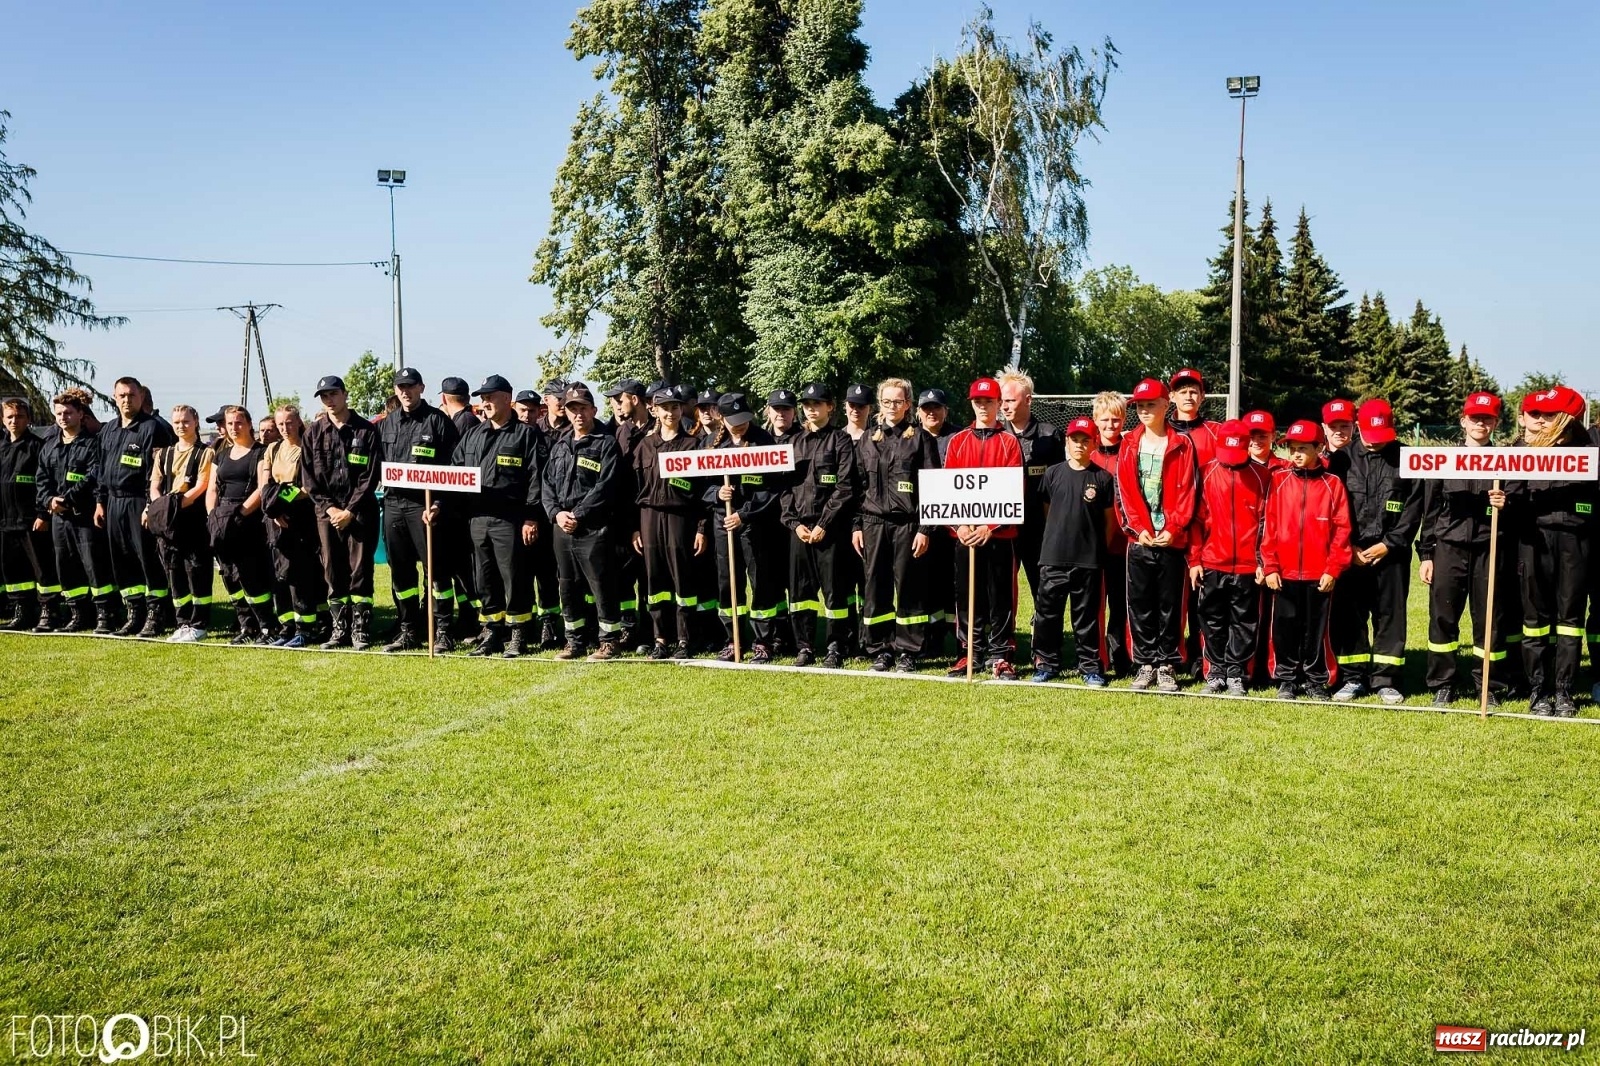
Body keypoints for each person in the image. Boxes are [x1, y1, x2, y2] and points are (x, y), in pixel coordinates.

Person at [1418, 391, 1517, 706]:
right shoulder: (1443, 460)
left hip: (1490, 547)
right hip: (1449, 548)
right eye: (1475, 417)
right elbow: (1430, 511)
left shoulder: (1507, 462)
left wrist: (1507, 503)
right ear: (1463, 421)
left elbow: (1519, 509)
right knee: (1443, 617)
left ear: (1496, 423)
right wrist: (1426, 555)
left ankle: (1488, 684)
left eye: (1487, 418)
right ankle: (1442, 684)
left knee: (1489, 620)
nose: (1481, 423)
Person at [1508, 386, 1594, 716]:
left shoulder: (1589, 449)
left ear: (1565, 419)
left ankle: (1565, 692)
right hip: (1533, 540)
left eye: (1547, 415)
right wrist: (1504, 500)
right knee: (1535, 621)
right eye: (1537, 415)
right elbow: (1513, 492)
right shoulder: (1521, 449)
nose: (1540, 421)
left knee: (1570, 621)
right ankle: (1538, 691)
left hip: (1576, 541)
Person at [1331, 398, 1424, 705]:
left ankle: (1386, 679)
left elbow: (1414, 509)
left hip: (1392, 555)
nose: (1375, 442)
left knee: (1390, 617)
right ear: (1358, 427)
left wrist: (1389, 544)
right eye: (1370, 435)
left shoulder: (1408, 458)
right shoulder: (1341, 458)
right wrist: (1350, 546)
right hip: (1352, 553)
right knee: (1350, 617)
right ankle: (1353, 677)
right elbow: (1335, 507)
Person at [1114, 378, 1199, 692]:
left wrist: (1173, 528)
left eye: (1151, 404)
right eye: (1140, 405)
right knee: (1140, 603)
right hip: (1141, 540)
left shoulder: (1181, 443)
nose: (1145, 410)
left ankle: (1166, 663)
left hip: (1171, 540)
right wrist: (1140, 530)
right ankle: (1145, 663)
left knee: (1169, 604)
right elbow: (1123, 491)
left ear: (1167, 404)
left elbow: (1189, 490)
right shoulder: (1129, 443)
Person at [451, 375, 545, 657]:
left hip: (511, 518)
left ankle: (518, 635)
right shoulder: (473, 434)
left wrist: (531, 517)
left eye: (491, 397)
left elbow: (536, 478)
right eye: (483, 397)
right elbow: (456, 470)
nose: (485, 402)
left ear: (508, 398)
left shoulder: (526, 435)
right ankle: (492, 631)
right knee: (484, 578)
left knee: (514, 577)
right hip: (478, 518)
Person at [854, 378, 942, 672]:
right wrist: (856, 526)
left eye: (899, 401)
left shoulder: (921, 439)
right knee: (876, 588)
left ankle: (908, 650)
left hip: (908, 524)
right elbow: (858, 487)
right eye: (887, 401)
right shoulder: (867, 439)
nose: (893, 407)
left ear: (909, 404)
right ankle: (881, 648)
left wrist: (924, 529)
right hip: (872, 524)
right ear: (880, 404)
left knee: (910, 587)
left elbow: (932, 488)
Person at [1262, 420, 1353, 700]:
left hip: (1319, 574)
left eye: (1303, 448)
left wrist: (1333, 568)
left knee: (1317, 630)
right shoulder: (1279, 481)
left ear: (1319, 447)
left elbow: (1342, 529)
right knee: (1285, 627)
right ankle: (1287, 678)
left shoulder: (1333, 484)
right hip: (1285, 573)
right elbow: (1270, 526)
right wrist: (1271, 566)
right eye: (1292, 448)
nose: (1296, 454)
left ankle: (1316, 679)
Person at [944, 376, 1025, 680]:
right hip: (964, 536)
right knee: (967, 596)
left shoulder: (1008, 442)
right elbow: (948, 488)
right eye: (977, 402)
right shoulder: (958, 441)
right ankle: (969, 652)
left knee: (1000, 597)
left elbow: (1014, 490)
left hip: (999, 535)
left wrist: (991, 525)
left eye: (988, 401)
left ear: (997, 404)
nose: (982, 406)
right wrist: (960, 524)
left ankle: (1000, 655)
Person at [377, 367, 461, 653]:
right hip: (392, 505)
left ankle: (443, 631)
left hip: (425, 507)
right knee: (401, 573)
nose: (405, 391)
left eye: (410, 386)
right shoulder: (386, 424)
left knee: (436, 572)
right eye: (400, 387)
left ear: (421, 388)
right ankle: (408, 629)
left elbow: (453, 468)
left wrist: (439, 504)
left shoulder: (438, 422)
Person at [541, 383, 624, 659]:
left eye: (583, 409)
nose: (578, 414)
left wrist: (578, 514)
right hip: (562, 527)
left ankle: (609, 640)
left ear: (594, 410)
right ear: (566, 411)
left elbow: (606, 487)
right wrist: (556, 513)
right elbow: (547, 484)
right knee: (567, 584)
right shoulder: (561, 444)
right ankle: (574, 641)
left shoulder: (606, 443)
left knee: (601, 584)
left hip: (593, 527)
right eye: (572, 409)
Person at [1188, 420, 1271, 696]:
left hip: (1248, 566)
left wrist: (1262, 561)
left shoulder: (1262, 476)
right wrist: (1195, 560)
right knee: (1211, 619)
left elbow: (1266, 523)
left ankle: (1236, 672)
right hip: (1212, 562)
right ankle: (1216, 672)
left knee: (1244, 621)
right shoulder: (1206, 473)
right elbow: (1197, 521)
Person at [701, 392, 785, 663]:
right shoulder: (711, 445)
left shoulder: (764, 441)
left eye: (744, 419)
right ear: (721, 419)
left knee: (760, 581)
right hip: (722, 523)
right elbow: (699, 487)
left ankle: (763, 641)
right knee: (728, 582)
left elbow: (773, 490)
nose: (739, 425)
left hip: (754, 523)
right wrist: (716, 493)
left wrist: (744, 514)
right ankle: (732, 640)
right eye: (733, 420)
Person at [301, 375, 383, 651]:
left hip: (360, 513)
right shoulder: (313, 432)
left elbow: (370, 477)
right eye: (324, 396)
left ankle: (361, 630)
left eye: (333, 394)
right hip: (327, 514)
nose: (329, 400)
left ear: (345, 394)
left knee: (360, 570)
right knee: (332, 571)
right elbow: (309, 478)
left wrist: (349, 510)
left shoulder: (366, 431)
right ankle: (339, 630)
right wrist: (332, 508)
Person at [1030, 417, 1115, 685]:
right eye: (1075, 439)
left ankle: (1089, 667)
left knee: (1086, 618)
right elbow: (1046, 512)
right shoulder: (1052, 473)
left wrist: (1096, 549)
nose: (1080, 444)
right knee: (1047, 615)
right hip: (1053, 558)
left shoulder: (1102, 478)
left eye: (1085, 440)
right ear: (1067, 442)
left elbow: (1109, 522)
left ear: (1094, 443)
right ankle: (1047, 663)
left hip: (1088, 561)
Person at [781, 382, 859, 669]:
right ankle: (804, 647)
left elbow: (845, 487)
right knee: (801, 595)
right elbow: (785, 487)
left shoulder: (840, 441)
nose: (812, 409)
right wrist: (793, 524)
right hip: (800, 531)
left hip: (830, 531)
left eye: (818, 403)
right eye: (807, 404)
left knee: (834, 592)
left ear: (831, 407)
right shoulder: (792, 442)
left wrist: (824, 523)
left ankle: (835, 647)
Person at [631, 387, 708, 659]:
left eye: (675, 407)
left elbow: (702, 493)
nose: (670, 413)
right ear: (654, 410)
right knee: (655, 580)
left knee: (683, 579)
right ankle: (660, 638)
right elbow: (633, 491)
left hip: (681, 518)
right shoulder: (644, 446)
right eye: (665, 407)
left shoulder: (693, 445)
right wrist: (635, 529)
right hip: (649, 516)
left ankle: (686, 640)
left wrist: (700, 529)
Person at [96, 376, 176, 636]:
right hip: (113, 503)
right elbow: (100, 469)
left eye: (132, 395)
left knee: (148, 560)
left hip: (140, 502)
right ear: (114, 397)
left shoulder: (154, 428)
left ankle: (156, 614)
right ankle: (134, 612)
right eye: (122, 395)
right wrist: (100, 502)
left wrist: (150, 505)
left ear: (141, 397)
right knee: (122, 561)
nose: (127, 400)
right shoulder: (108, 429)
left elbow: (161, 473)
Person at [36, 391, 116, 632]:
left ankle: (104, 614)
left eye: (69, 413)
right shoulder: (49, 446)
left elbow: (94, 476)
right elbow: (41, 480)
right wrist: (49, 501)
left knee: (94, 565)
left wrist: (67, 498)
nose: (63, 417)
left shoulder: (92, 444)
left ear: (81, 414)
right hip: (60, 518)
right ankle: (77, 614)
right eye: (59, 413)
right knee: (66, 567)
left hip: (84, 516)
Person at [205, 407, 275, 645]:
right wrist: (213, 516)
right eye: (230, 423)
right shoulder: (221, 455)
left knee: (251, 576)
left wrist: (240, 515)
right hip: (220, 520)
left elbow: (261, 487)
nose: (235, 428)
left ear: (248, 424)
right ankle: (246, 626)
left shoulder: (261, 453)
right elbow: (212, 488)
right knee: (229, 577)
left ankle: (266, 627)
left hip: (247, 520)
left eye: (239, 423)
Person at [257, 405, 325, 648]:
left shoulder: (307, 445)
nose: (285, 428)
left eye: (289, 423)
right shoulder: (273, 449)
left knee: (301, 574)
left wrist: (279, 501)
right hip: (275, 518)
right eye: (280, 424)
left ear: (298, 422)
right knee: (280, 574)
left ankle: (307, 629)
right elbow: (265, 484)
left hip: (301, 517)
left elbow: (308, 487)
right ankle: (287, 628)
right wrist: (272, 509)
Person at [999, 371, 1063, 620]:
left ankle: (1045, 647)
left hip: (1040, 527)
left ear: (1028, 400)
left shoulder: (1050, 435)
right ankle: (1005, 645)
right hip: (1003, 526)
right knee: (1001, 587)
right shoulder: (995, 434)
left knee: (1044, 587)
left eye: (1011, 401)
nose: (1005, 406)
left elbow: (1059, 484)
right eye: (1002, 401)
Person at [149, 405, 215, 642]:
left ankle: (200, 623)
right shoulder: (163, 454)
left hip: (192, 517)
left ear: (195, 422)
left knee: (196, 570)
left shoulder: (205, 453)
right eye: (176, 422)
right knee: (174, 571)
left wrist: (173, 506)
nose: (180, 426)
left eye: (185, 421)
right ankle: (182, 621)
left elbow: (202, 485)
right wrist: (160, 507)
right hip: (167, 521)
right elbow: (155, 484)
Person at [0, 399, 61, 631]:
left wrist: (43, 515)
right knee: (13, 569)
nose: (14, 421)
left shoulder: (38, 446)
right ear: (3, 420)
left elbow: (46, 483)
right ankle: (21, 611)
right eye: (10, 417)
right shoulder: (1, 446)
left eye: (19, 416)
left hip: (32, 520)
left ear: (28, 419)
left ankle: (49, 611)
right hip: (6, 521)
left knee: (42, 568)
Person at [607, 378, 655, 651]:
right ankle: (628, 629)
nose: (615, 405)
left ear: (634, 400)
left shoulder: (658, 430)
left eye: (619, 399)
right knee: (623, 581)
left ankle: (649, 633)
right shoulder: (619, 431)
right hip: (623, 519)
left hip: (649, 517)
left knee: (650, 580)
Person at [1089, 391, 1131, 676]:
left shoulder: (1131, 452)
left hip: (1124, 543)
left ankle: (1121, 656)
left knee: (1121, 605)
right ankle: (1095, 658)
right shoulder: (1088, 456)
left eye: (1116, 420)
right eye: (1105, 420)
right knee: (1093, 605)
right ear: (1095, 420)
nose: (1110, 425)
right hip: (1092, 545)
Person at [917, 387, 959, 653]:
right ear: (919, 412)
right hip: (923, 525)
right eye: (926, 408)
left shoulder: (958, 437)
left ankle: (960, 638)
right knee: (927, 583)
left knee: (954, 584)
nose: (931, 412)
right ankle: (931, 638)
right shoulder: (910, 437)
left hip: (954, 524)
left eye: (936, 408)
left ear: (946, 411)